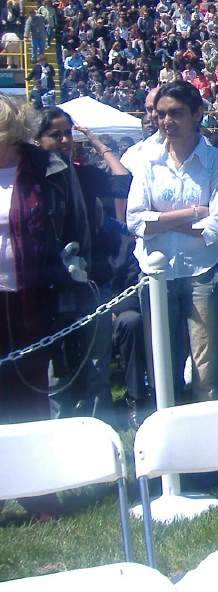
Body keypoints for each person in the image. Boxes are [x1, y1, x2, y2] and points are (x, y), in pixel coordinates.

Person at [0, 96, 89, 519]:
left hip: (33, 297)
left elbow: (75, 225)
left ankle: (37, 492)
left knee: (31, 396)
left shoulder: (48, 169)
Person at [127, 81, 218, 402]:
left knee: (206, 362)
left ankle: (211, 431)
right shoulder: (147, 160)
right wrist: (193, 213)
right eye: (161, 114)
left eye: (176, 113)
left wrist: (161, 221)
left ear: (197, 113)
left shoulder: (215, 161)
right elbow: (134, 221)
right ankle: (167, 426)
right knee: (162, 360)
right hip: (156, 274)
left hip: (203, 272)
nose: (166, 121)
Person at [31, 109, 131, 420]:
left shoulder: (84, 174)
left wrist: (96, 142)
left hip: (93, 280)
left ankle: (101, 428)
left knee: (97, 362)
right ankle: (62, 430)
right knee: (58, 369)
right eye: (55, 134)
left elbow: (123, 181)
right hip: (50, 287)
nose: (64, 140)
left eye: (67, 133)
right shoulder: (32, 183)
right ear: (37, 140)